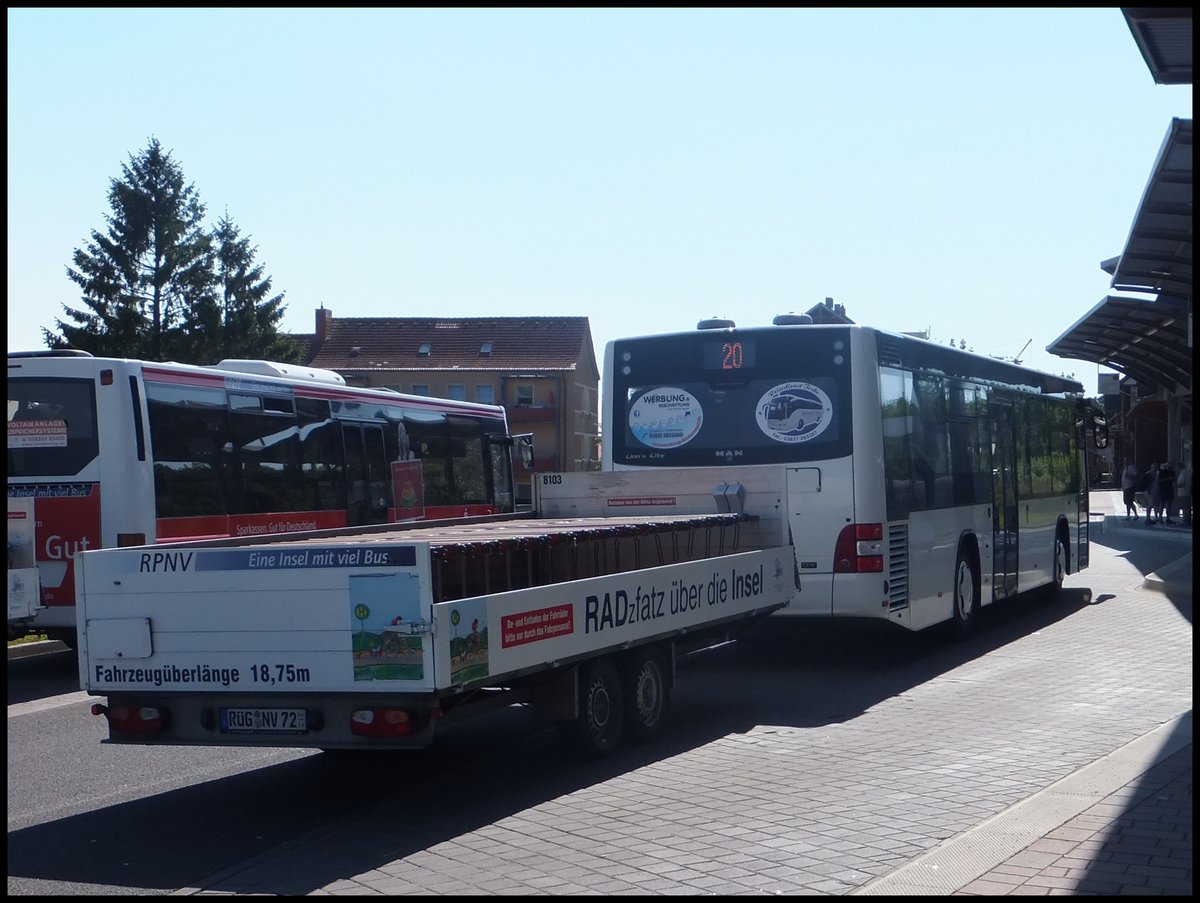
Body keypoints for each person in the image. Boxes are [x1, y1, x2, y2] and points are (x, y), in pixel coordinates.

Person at [1156, 461, 1177, 526]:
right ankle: (1160, 518)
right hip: (1162, 489)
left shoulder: (1172, 472)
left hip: (1169, 489)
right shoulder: (1162, 472)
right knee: (1162, 504)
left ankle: (1168, 518)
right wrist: (1167, 479)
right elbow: (1159, 480)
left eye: (1171, 466)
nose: (1170, 467)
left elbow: (1174, 480)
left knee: (1169, 504)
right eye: (1169, 465)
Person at [1175, 461, 1192, 527]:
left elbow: (1181, 484)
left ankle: (1185, 520)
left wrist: (1175, 485)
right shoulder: (1188, 472)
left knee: (1184, 508)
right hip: (1188, 492)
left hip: (1182, 493)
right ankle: (1188, 520)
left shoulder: (1182, 473)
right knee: (1188, 507)